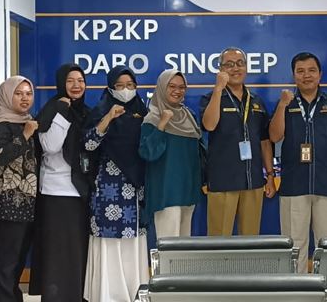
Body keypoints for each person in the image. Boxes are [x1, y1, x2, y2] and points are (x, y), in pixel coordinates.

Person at [269, 52, 327, 272]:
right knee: (294, 246)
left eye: (311, 70)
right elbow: (274, 136)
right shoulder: (285, 103)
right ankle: (297, 288)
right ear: (293, 75)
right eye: (301, 71)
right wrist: (282, 106)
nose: (306, 75)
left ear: (320, 74)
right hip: (294, 185)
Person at [83, 66, 150, 302]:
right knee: (108, 241)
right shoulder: (100, 111)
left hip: (135, 190)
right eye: (120, 86)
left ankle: (134, 293)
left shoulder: (142, 112)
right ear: (110, 88)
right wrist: (109, 118)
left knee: (133, 242)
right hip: (107, 189)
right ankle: (108, 294)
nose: (125, 90)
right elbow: (89, 144)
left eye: (130, 85)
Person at [199, 47, 275, 236]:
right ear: (221, 69)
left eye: (240, 63)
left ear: (246, 68)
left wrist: (270, 175)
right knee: (219, 239)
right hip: (223, 181)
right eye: (229, 64)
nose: (235, 68)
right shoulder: (210, 98)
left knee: (250, 239)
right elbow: (209, 125)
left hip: (253, 181)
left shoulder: (256, 101)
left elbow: (265, 141)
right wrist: (218, 89)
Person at [32, 64, 92, 301]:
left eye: (80, 80)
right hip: (56, 192)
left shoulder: (87, 112)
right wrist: (62, 113)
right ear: (61, 84)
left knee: (77, 252)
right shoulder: (52, 109)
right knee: (58, 254)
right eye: (70, 81)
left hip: (82, 191)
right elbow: (50, 146)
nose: (76, 85)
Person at [0, 77, 39, 302]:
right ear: (6, 96)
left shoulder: (28, 121)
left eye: (28, 94)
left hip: (28, 202)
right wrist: (25, 136)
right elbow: (0, 157)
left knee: (19, 259)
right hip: (7, 203)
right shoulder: (0, 124)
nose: (25, 98)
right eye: (18, 93)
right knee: (7, 260)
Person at [139, 70, 202, 238]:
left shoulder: (189, 116)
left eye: (182, 87)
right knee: (169, 245)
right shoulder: (153, 117)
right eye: (172, 86)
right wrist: (162, 124)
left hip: (188, 191)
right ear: (161, 88)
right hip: (166, 193)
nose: (177, 91)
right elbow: (148, 153)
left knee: (185, 246)